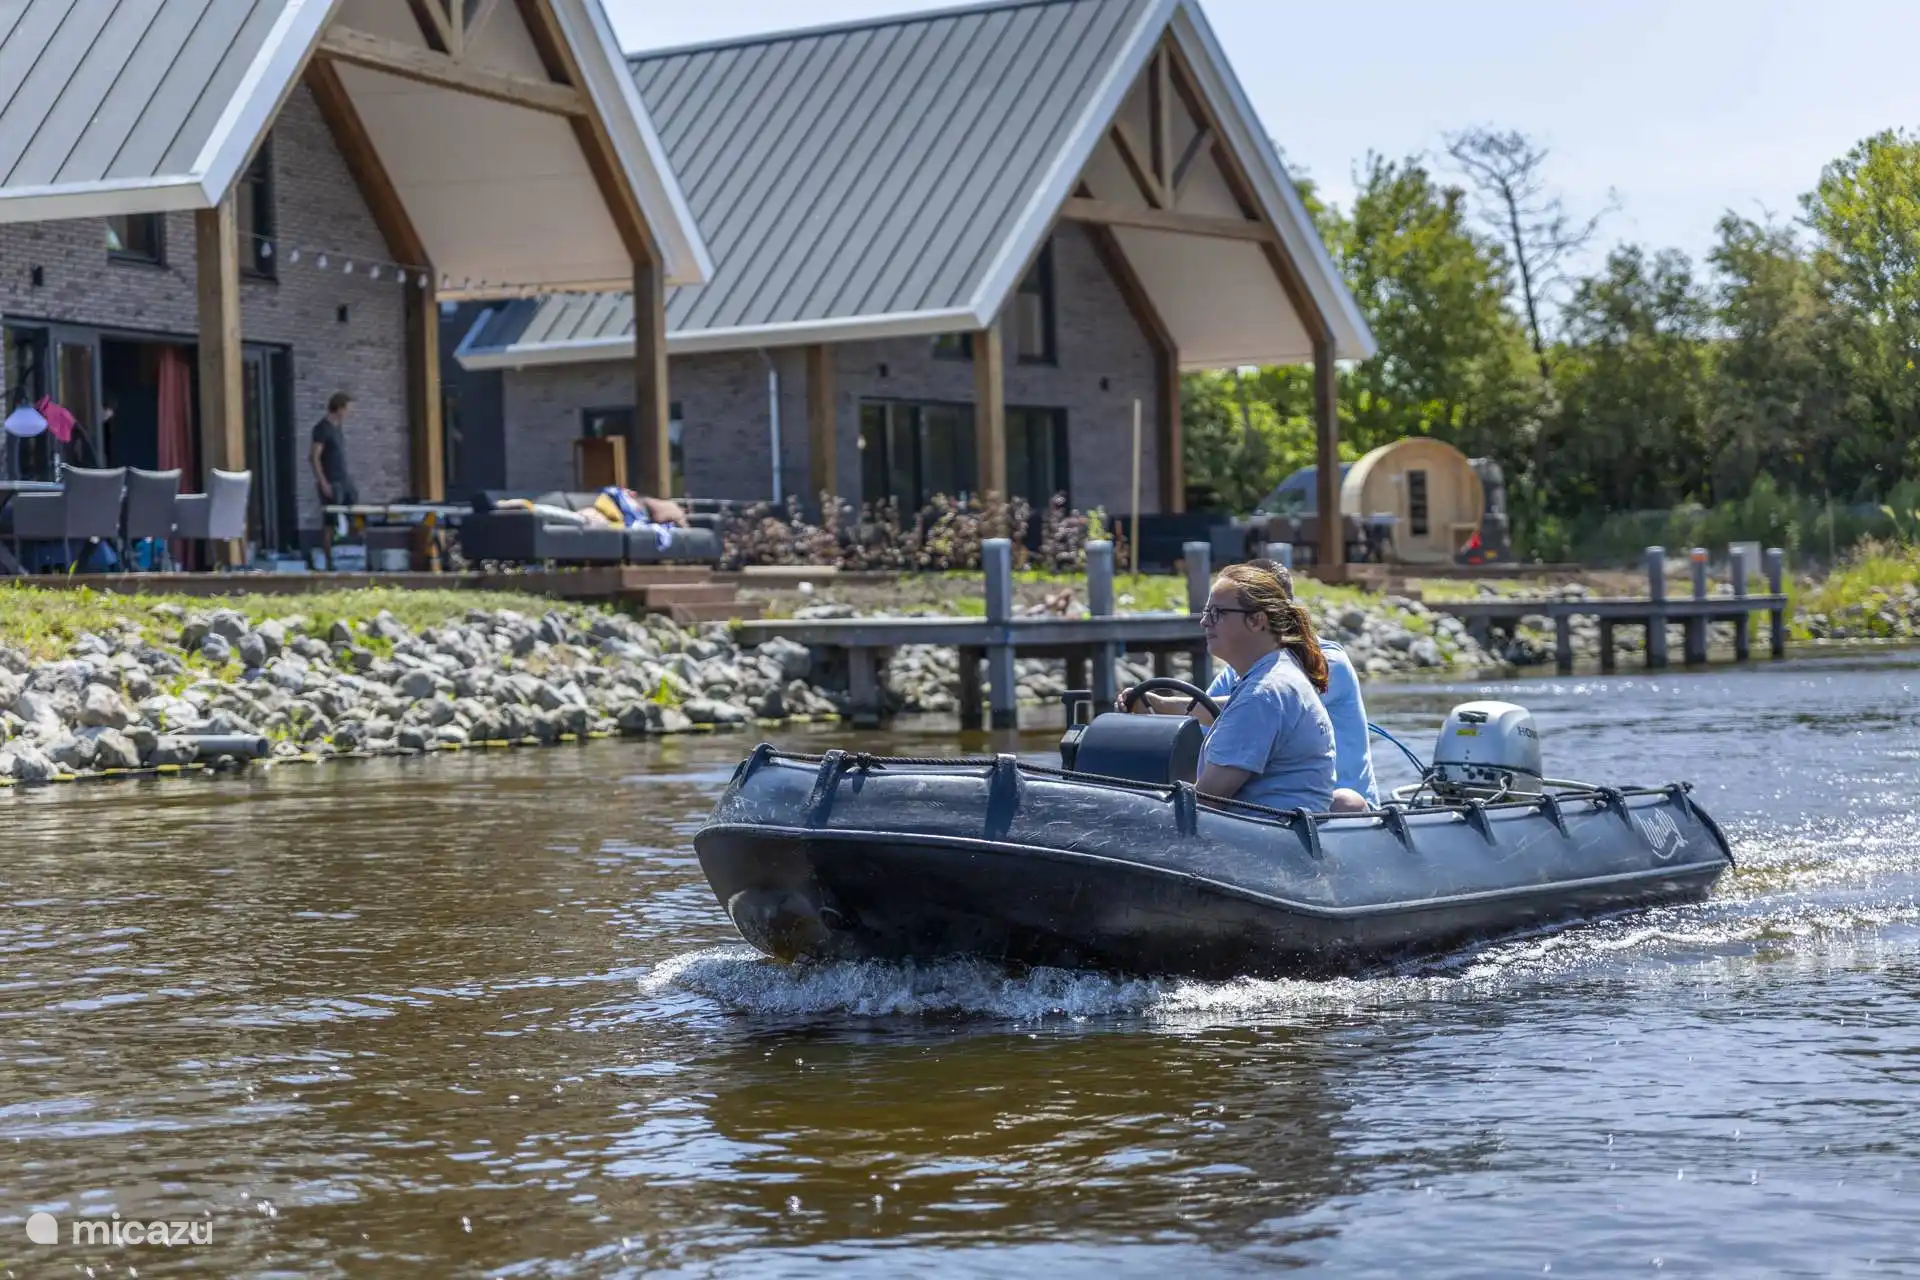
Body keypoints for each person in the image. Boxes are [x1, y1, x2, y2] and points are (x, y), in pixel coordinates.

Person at [1122, 560, 1378, 808]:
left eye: (1217, 613)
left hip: (1279, 827)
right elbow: (1212, 715)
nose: (1204, 622)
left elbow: (1204, 802)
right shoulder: (1269, 675)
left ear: (1257, 620)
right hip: (1284, 822)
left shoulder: (1265, 693)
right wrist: (1158, 708)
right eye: (1206, 612)